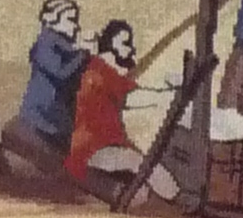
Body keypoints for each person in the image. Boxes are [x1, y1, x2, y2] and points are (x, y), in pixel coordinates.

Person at [65, 17, 179, 203]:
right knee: (140, 163)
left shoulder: (102, 70)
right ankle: (179, 198)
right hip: (92, 151)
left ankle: (173, 196)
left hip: (101, 147)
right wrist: (170, 95)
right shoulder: (99, 72)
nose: (131, 49)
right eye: (125, 44)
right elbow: (135, 96)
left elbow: (133, 92)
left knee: (140, 181)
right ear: (110, 46)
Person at [1, 0, 88, 171]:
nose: (76, 26)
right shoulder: (44, 44)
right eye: (70, 20)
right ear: (51, 20)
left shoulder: (65, 47)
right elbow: (61, 73)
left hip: (55, 119)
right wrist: (83, 54)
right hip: (42, 119)